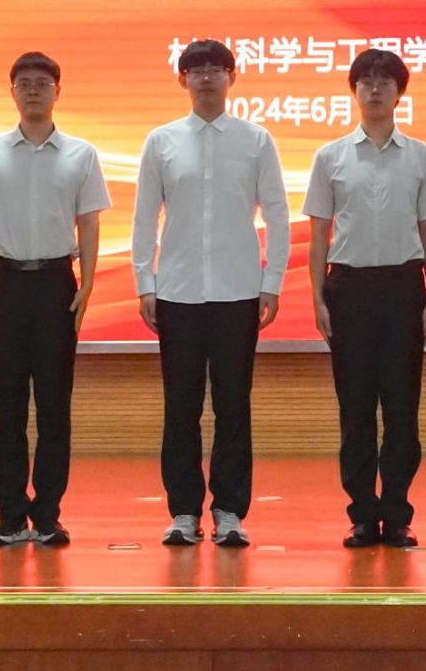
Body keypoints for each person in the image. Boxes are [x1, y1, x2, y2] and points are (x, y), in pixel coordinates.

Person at [132, 39, 291, 549]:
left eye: (216, 69)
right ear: (182, 79)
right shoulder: (161, 141)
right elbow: (143, 217)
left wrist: (271, 282)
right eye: (196, 70)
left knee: (233, 406)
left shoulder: (255, 140)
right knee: (180, 407)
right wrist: (145, 282)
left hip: (237, 290)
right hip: (176, 292)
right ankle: (183, 511)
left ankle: (229, 511)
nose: (206, 78)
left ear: (231, 77)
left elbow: (278, 212)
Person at [0, 51, 111, 548]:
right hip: (5, 284)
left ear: (57, 92)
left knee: (53, 405)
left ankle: (47, 515)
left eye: (42, 83)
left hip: (55, 285)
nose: (32, 90)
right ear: (12, 92)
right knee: (6, 405)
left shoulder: (81, 154)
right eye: (24, 83)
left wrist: (87, 283)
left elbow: (89, 222)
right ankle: (9, 516)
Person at [304, 48, 426, 549]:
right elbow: (319, 236)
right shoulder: (330, 157)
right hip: (348, 290)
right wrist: (318, 300)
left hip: (404, 289)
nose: (374, 89)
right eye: (365, 81)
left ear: (399, 92)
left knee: (403, 408)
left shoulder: (421, 157)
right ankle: (363, 514)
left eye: (384, 81)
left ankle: (398, 513)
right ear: (353, 90)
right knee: (356, 409)